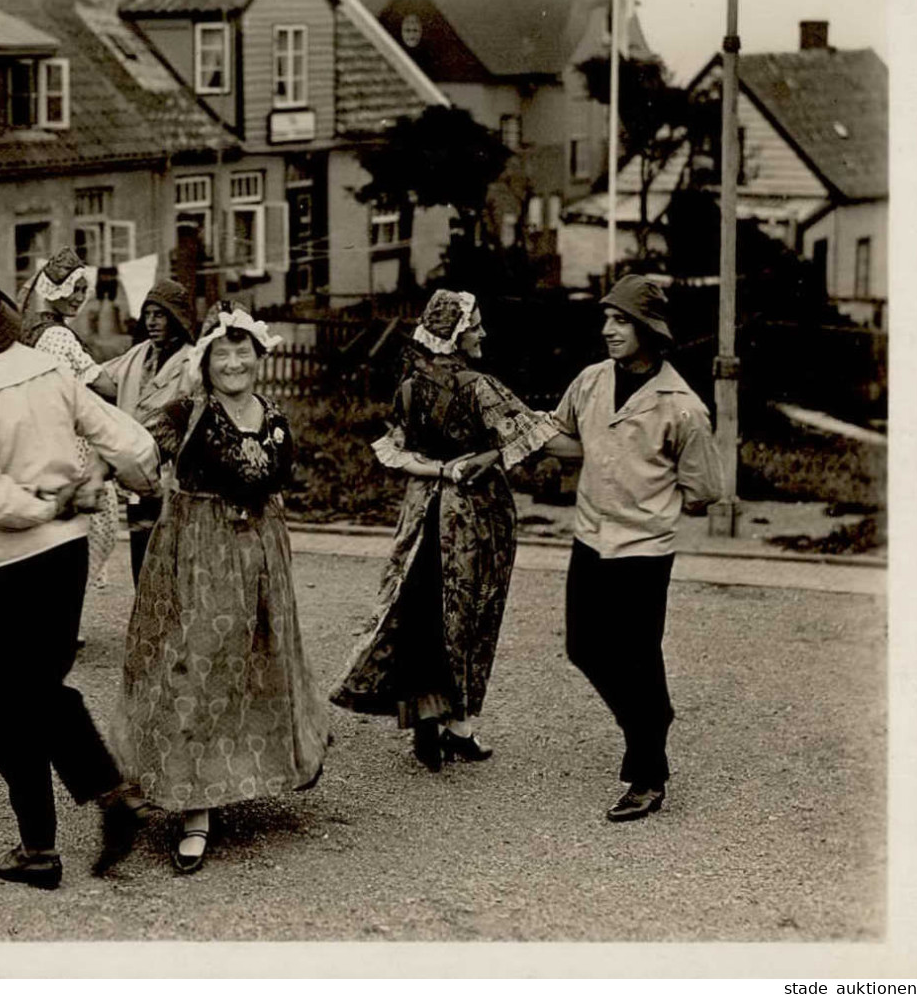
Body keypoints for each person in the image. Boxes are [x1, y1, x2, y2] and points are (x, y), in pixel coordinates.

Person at [0, 267, 160, 890]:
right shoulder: (49, 368)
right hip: (65, 558)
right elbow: (132, 440)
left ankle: (55, 837)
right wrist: (117, 480)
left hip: (0, 564)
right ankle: (99, 802)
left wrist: (43, 506)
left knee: (13, 709)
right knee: (41, 688)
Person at [116, 301, 329, 874]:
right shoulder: (185, 412)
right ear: (204, 360)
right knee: (195, 665)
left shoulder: (273, 412)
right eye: (222, 352)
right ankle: (194, 808)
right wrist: (143, 491)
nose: (233, 362)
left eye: (244, 351)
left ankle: (246, 774)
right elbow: (133, 451)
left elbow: (272, 473)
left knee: (254, 661)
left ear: (260, 357)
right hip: (197, 551)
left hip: (259, 551)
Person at [330, 289, 564, 772]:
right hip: (473, 515)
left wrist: (439, 470)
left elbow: (399, 453)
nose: (482, 333)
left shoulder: (411, 384)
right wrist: (489, 456)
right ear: (456, 335)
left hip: (422, 511)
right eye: (475, 325)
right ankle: (459, 726)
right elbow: (534, 436)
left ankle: (427, 715)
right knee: (470, 613)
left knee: (421, 606)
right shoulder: (480, 386)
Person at [552, 274, 722, 821]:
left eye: (620, 320)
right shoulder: (591, 381)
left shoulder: (683, 407)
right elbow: (567, 438)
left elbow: (704, 491)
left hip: (644, 549)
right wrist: (513, 429)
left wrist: (646, 492)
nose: (608, 329)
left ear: (648, 330)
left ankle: (647, 773)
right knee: (583, 647)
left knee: (637, 656)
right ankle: (652, 719)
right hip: (589, 537)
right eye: (606, 319)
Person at [17, 248, 124, 594]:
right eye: (73, 290)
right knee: (93, 521)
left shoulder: (30, 328)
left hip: (35, 435)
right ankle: (66, 611)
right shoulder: (58, 336)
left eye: (83, 291)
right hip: (66, 439)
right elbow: (103, 384)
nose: (79, 299)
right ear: (54, 289)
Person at [99, 278, 198, 583]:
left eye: (160, 314)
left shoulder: (192, 361)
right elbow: (103, 380)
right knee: (141, 552)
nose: (152, 322)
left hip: (173, 475)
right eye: (148, 314)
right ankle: (144, 622)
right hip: (137, 471)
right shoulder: (139, 353)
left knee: (171, 553)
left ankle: (171, 624)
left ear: (177, 318)